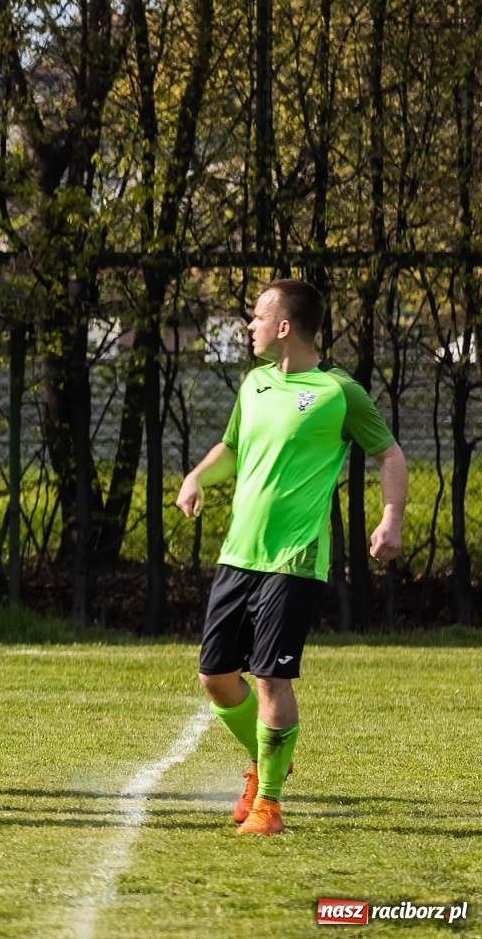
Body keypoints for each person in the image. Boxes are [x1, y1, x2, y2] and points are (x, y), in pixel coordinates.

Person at [176, 279, 406, 836]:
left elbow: (390, 453)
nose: (248, 326)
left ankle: (269, 804)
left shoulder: (338, 392)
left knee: (271, 680)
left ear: (284, 327)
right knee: (215, 677)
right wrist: (197, 476)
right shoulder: (254, 384)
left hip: (295, 560)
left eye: (257, 317)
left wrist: (391, 517)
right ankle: (267, 759)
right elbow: (233, 447)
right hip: (239, 553)